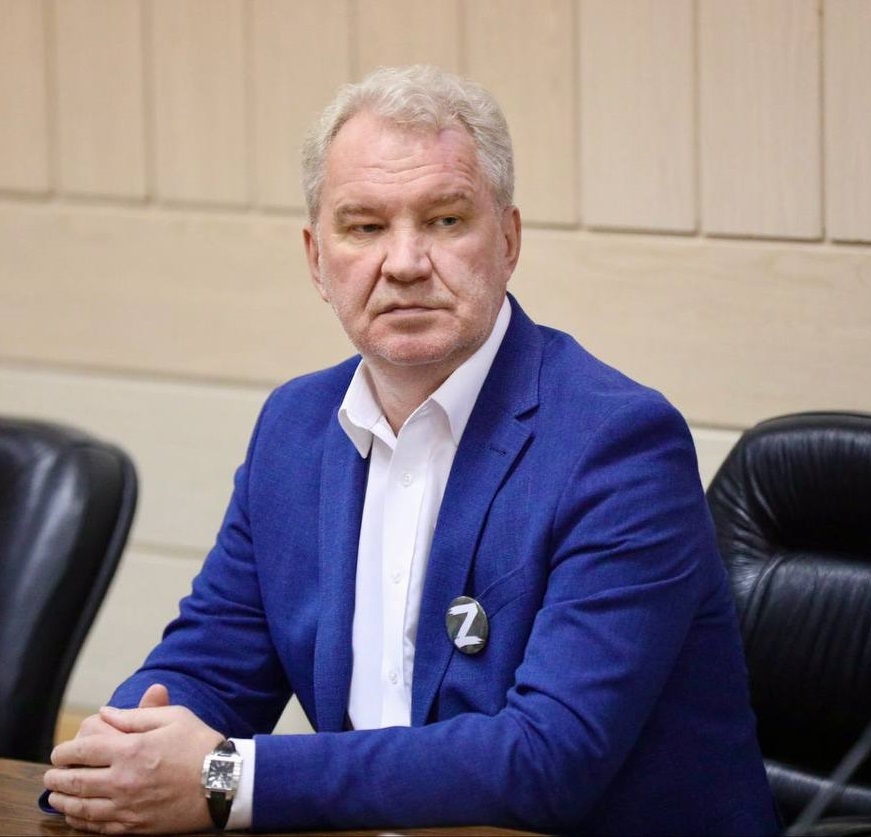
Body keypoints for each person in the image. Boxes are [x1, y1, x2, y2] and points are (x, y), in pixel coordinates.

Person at [43, 65, 779, 835]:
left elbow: (546, 759)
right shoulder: (294, 429)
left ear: (508, 240)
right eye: (363, 227)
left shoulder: (617, 446)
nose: (402, 262)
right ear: (316, 259)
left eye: (444, 220)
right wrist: (114, 760)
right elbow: (210, 664)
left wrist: (225, 776)